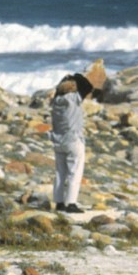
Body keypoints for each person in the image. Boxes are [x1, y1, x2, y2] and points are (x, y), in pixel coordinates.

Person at [51, 72, 93, 213]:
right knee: (75, 173)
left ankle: (59, 202)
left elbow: (58, 90)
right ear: (73, 89)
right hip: (73, 140)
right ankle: (71, 203)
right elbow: (88, 86)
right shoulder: (75, 98)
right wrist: (76, 75)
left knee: (60, 172)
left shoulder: (55, 101)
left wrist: (65, 79)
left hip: (58, 140)